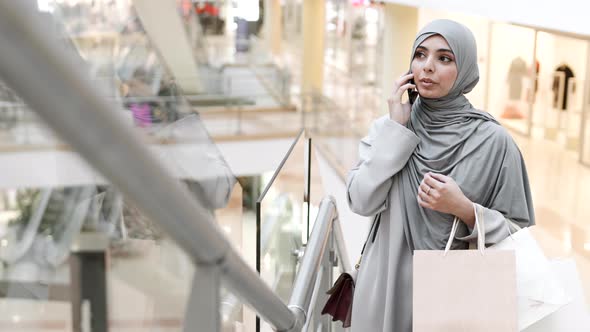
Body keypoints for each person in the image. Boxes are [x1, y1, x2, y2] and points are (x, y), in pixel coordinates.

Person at [346, 19, 535, 331]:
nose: (427, 67)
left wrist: (464, 209)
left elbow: (517, 235)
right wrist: (396, 132)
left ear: (465, 70)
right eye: (420, 55)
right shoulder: (389, 127)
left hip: (455, 299)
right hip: (384, 293)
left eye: (444, 58)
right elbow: (360, 200)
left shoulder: (493, 142)